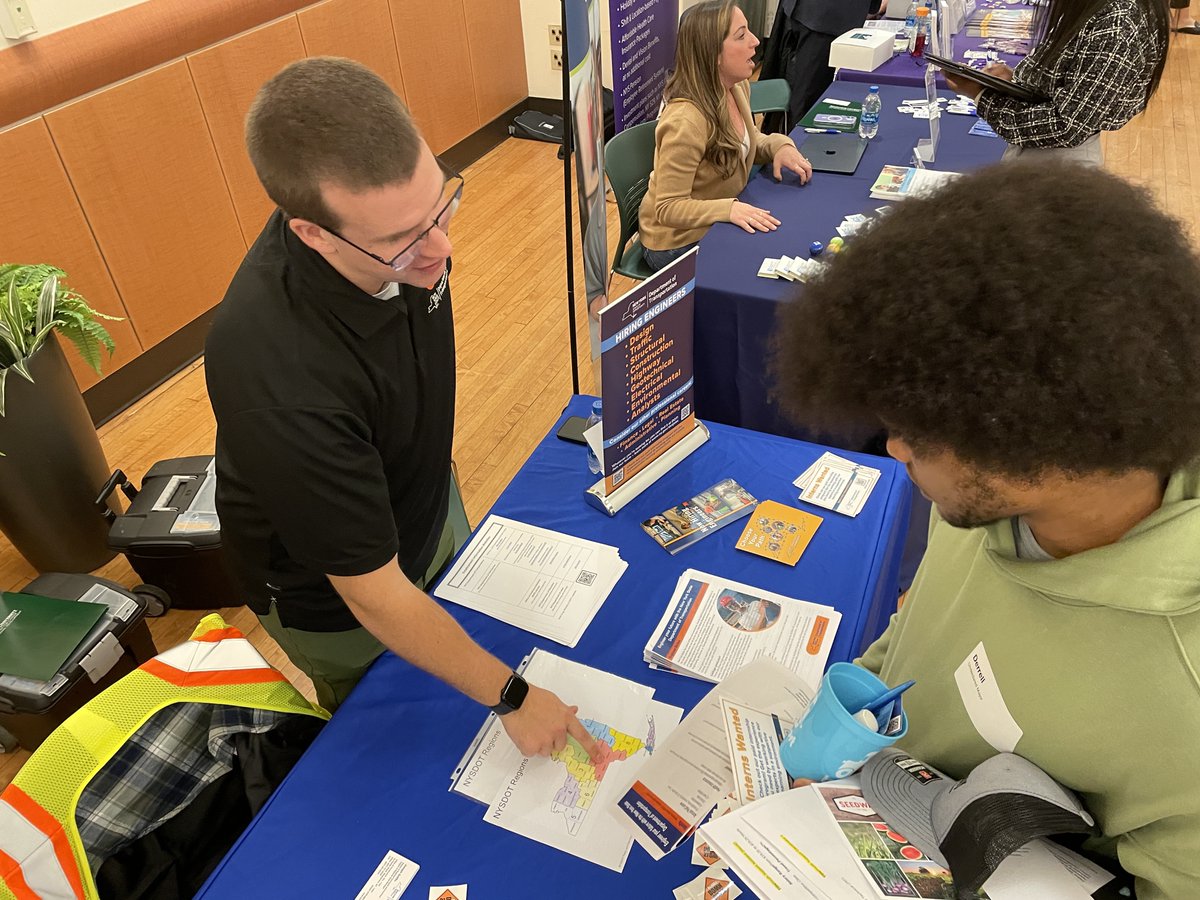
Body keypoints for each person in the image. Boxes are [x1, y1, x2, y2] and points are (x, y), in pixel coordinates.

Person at [772, 161, 1200, 899]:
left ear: (1035, 438)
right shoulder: (984, 498)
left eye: (914, 430)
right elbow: (921, 635)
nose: (894, 449)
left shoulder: (1183, 702)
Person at [204, 57, 600, 764]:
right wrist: (511, 695)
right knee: (402, 747)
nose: (441, 249)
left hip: (420, 498)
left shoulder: (400, 236)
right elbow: (375, 596)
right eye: (403, 240)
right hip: (337, 596)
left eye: (440, 207)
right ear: (312, 234)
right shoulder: (279, 375)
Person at [637, 0, 814, 272]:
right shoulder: (685, 121)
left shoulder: (736, 86)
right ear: (714, 54)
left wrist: (780, 146)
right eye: (741, 36)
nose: (755, 41)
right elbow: (669, 208)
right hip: (675, 240)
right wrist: (728, 209)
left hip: (716, 217)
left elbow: (746, 141)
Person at [942, 0, 1171, 163]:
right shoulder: (1104, 12)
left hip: (1058, 165)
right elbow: (1072, 75)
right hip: (1050, 160)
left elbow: (1066, 126)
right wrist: (1019, 83)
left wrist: (983, 96)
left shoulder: (1119, 21)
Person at [758, 0, 888, 130]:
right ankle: (797, 141)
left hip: (817, 14)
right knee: (808, 94)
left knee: (805, 87)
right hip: (824, 17)